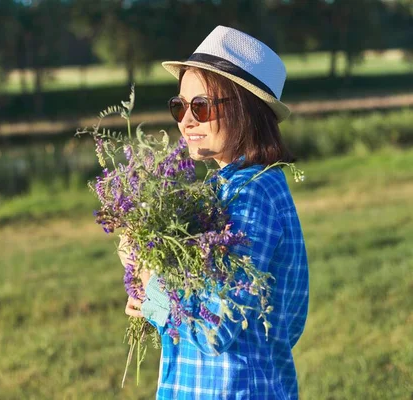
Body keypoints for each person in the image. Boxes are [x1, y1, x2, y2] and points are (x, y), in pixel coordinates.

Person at [121, 26, 309, 399]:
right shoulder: (223, 191)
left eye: (201, 106)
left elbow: (216, 326)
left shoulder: (252, 195)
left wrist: (148, 271)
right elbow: (201, 305)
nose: (185, 120)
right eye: (179, 106)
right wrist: (151, 295)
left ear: (245, 110)